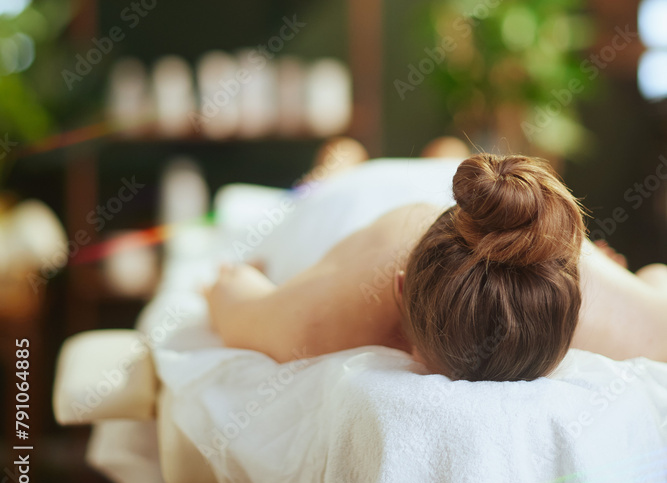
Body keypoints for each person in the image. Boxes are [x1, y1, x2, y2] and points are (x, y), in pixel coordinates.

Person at [204, 147, 667, 382]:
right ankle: (347, 160)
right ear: (399, 291)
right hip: (360, 196)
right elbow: (232, 291)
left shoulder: (598, 302)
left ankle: (438, 151)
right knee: (334, 169)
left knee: (443, 151)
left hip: (494, 203)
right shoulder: (322, 321)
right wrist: (244, 275)